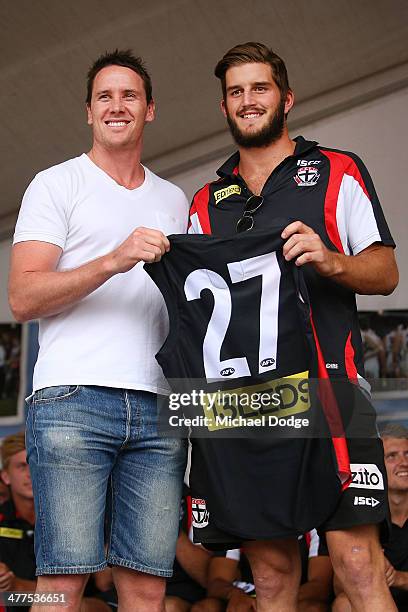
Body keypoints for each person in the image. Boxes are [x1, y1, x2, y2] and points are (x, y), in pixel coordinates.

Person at [187, 42, 399, 612]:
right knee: (274, 574)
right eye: (236, 91)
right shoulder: (205, 202)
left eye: (259, 88)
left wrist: (331, 259)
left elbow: (385, 272)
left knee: (357, 563)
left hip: (332, 388)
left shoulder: (337, 168)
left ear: (286, 98)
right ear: (224, 106)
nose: (248, 100)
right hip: (247, 404)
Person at [8, 49, 189, 612]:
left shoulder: (174, 199)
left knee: (147, 587)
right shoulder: (55, 184)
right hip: (73, 398)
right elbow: (22, 296)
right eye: (105, 97)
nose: (117, 106)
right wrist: (113, 259)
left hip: (160, 406)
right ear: (88, 112)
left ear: (150, 109)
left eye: (129, 95)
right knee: (63, 585)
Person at [0, 432, 110, 612]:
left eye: (37, 464)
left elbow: (104, 585)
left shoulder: (78, 516)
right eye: (22, 466)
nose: (31, 473)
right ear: (5, 476)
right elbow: (6, 596)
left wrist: (17, 587)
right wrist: (12, 588)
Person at [333, 423, 408, 611]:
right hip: (372, 599)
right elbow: (337, 586)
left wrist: (398, 577)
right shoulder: (360, 512)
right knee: (343, 603)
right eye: (392, 456)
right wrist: (366, 569)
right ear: (376, 466)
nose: (404, 462)